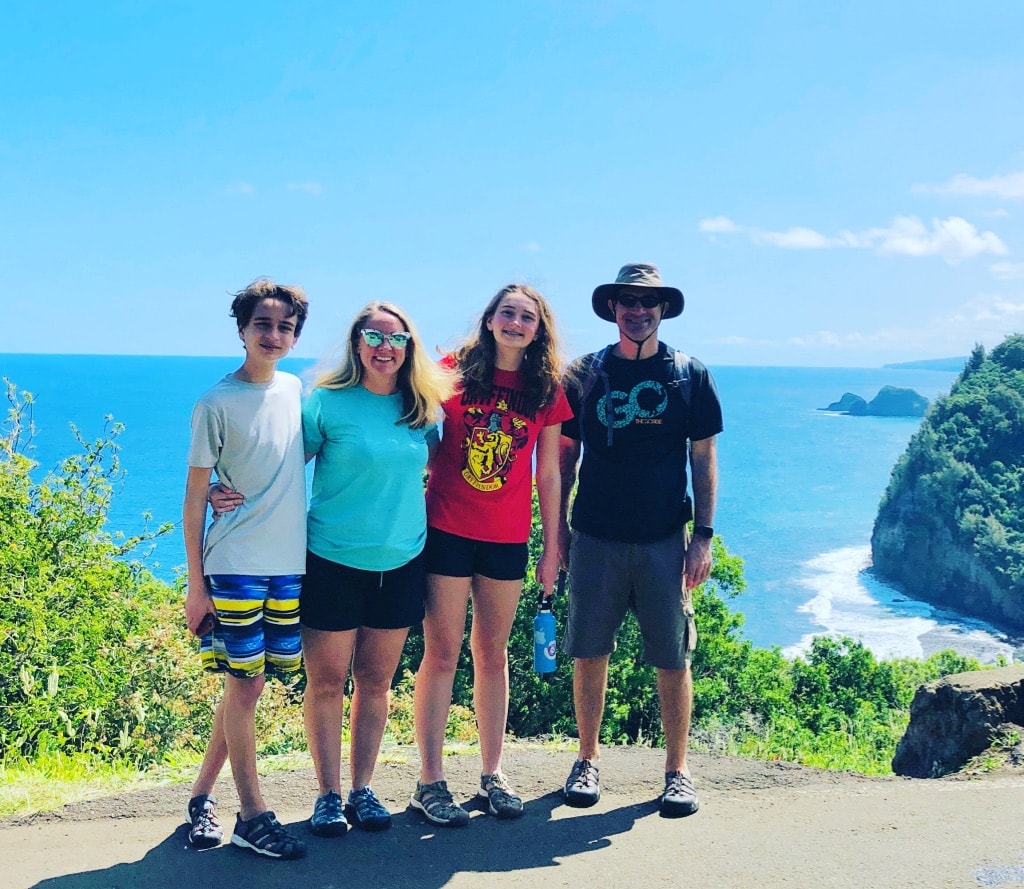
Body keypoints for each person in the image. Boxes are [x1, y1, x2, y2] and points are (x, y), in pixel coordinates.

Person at [558, 262, 722, 817]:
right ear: (612, 308)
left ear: (662, 310)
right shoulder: (584, 374)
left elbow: (703, 456)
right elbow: (564, 457)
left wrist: (702, 536)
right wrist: (555, 531)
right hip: (596, 534)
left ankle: (678, 769)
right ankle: (587, 758)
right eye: (627, 300)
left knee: (673, 657)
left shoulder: (689, 375)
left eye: (648, 302)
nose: (637, 309)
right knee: (589, 649)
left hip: (662, 540)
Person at [411, 283, 572, 825]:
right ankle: (430, 780)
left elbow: (548, 474)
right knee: (441, 654)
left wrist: (554, 547)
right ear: (490, 319)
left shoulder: (546, 386)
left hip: (508, 538)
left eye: (527, 317)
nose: (516, 323)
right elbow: (407, 410)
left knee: (492, 654)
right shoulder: (454, 368)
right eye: (508, 312)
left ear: (538, 329)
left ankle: (491, 773)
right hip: (448, 528)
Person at [299, 302, 453, 836]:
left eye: (397, 339)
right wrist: (226, 490)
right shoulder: (326, 403)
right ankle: (327, 794)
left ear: (410, 347)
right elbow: (279, 465)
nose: (385, 348)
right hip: (331, 560)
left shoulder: (422, 410)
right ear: (356, 343)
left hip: (402, 562)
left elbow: (436, 468)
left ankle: (362, 790)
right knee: (325, 681)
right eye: (374, 337)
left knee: (376, 681)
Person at [183, 278, 309, 860]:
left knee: (248, 686)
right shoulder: (215, 401)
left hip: (288, 563)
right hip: (233, 565)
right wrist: (195, 585)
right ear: (242, 329)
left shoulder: (294, 390)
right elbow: (195, 494)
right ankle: (252, 814)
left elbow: (289, 455)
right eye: (263, 323)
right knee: (246, 683)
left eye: (285, 326)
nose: (274, 334)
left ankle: (202, 796)